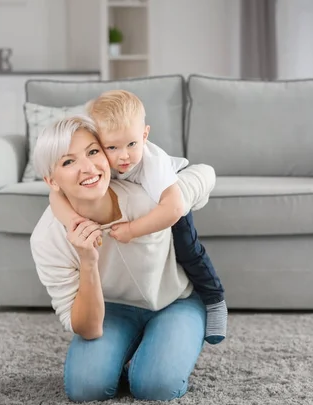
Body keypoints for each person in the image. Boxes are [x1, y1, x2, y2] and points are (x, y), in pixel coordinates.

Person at [29, 115, 216, 402]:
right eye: (69, 162)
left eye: (93, 152)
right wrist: (87, 261)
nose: (88, 168)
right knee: (85, 389)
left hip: (175, 301)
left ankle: (159, 348)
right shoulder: (47, 238)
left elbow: (204, 174)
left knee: (155, 387)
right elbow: (88, 328)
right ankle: (139, 348)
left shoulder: (149, 194)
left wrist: (172, 202)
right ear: (51, 181)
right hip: (113, 310)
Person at [48, 90, 227, 344]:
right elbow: (55, 196)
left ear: (144, 135)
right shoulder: (98, 160)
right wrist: (72, 221)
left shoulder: (153, 166)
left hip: (168, 191)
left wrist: (133, 230)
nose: (123, 156)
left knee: (188, 250)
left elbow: (173, 209)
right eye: (112, 147)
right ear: (99, 144)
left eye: (132, 144)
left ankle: (214, 299)